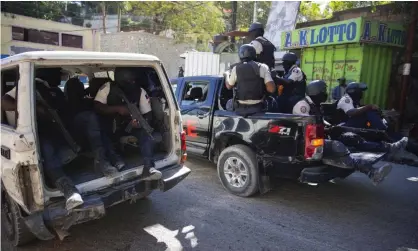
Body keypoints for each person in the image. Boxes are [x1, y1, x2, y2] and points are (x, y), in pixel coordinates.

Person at [292, 80, 408, 185]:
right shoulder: (302, 106)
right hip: (307, 141)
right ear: (316, 92)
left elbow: (321, 122)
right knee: (337, 146)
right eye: (323, 91)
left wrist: (331, 127)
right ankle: (372, 172)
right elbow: (307, 128)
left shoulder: (315, 105)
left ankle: (389, 148)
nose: (325, 94)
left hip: (320, 135)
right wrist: (327, 130)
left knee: (352, 137)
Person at [1, 73, 84, 211]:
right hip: (32, 134)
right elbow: (4, 101)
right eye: (57, 71)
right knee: (47, 150)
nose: (60, 77)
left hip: (49, 130)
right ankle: (69, 191)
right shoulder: (32, 84)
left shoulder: (52, 90)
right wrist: (31, 108)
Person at [94, 67, 162, 180]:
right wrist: (117, 109)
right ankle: (115, 160)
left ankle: (148, 167)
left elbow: (147, 114)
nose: (132, 83)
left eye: (133, 80)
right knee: (100, 132)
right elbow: (97, 106)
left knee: (146, 134)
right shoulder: (108, 87)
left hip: (128, 125)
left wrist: (139, 123)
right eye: (129, 81)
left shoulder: (140, 91)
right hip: (110, 124)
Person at [65, 77, 125, 176]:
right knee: (92, 119)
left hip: (93, 130)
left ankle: (112, 157)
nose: (82, 86)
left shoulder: (87, 98)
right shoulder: (71, 104)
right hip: (76, 133)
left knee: (99, 128)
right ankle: (102, 161)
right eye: (78, 85)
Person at [225, 44, 276, 116]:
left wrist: (227, 75)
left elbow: (229, 86)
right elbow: (271, 89)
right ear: (254, 54)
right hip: (258, 108)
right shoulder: (262, 67)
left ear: (240, 55)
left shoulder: (236, 68)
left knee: (228, 103)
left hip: (240, 109)